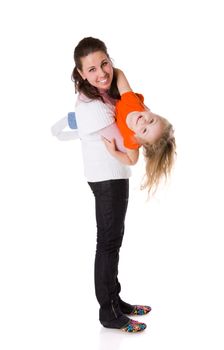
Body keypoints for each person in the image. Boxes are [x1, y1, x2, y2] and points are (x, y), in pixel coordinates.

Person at [51, 37, 151, 332]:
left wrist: (120, 79)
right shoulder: (93, 105)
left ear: (111, 60)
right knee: (107, 243)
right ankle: (108, 313)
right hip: (107, 178)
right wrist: (134, 146)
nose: (102, 73)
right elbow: (131, 147)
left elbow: (129, 125)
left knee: (113, 241)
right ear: (81, 74)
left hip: (114, 175)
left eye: (104, 63)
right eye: (91, 69)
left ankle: (115, 301)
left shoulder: (101, 93)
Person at [102, 69, 176, 195]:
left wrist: (113, 152)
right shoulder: (132, 102)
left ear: (138, 139)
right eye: (152, 120)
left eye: (144, 130)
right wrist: (105, 72)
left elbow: (132, 161)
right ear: (151, 112)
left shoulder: (132, 140)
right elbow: (119, 74)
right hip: (113, 98)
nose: (143, 122)